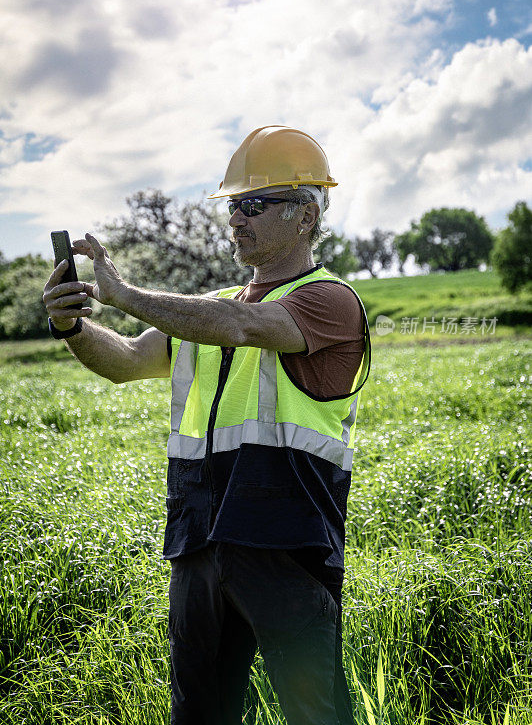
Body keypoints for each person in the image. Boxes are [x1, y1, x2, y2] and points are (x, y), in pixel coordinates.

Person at [43, 125, 371, 725]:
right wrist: (72, 326)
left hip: (285, 548)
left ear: (305, 214)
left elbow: (242, 326)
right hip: (198, 541)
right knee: (199, 713)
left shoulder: (328, 300)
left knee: (314, 715)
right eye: (233, 207)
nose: (236, 219)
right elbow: (126, 361)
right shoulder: (212, 308)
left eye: (254, 204)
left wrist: (123, 292)